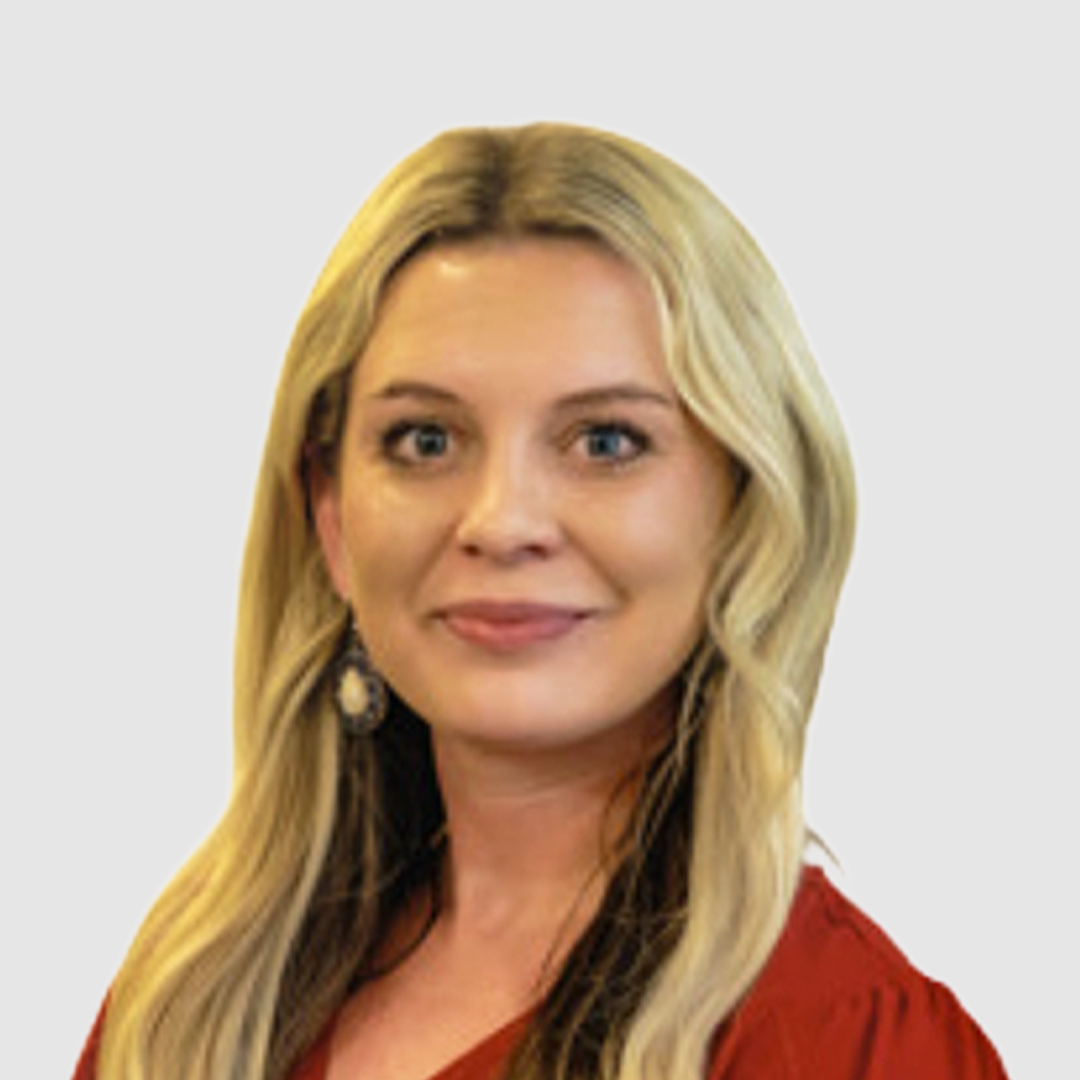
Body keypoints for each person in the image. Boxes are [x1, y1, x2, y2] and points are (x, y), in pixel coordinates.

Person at [73, 122, 1008, 1080]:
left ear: (745, 512)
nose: (502, 520)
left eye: (605, 440)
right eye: (425, 440)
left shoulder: (848, 1042)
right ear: (332, 515)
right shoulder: (191, 1001)